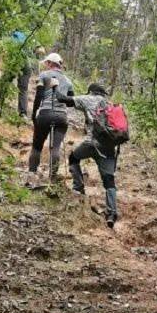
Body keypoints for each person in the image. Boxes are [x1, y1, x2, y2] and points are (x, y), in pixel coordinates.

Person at [62, 83, 121, 228]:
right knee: (109, 181)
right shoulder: (110, 105)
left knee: (73, 158)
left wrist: (55, 88)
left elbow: (66, 100)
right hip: (109, 148)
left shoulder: (89, 99)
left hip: (91, 144)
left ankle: (79, 188)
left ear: (91, 92)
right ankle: (111, 213)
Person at [27, 52, 73, 181]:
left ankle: (32, 173)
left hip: (45, 114)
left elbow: (39, 96)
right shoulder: (68, 81)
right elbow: (70, 102)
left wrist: (34, 114)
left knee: (37, 146)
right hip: (61, 116)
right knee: (55, 147)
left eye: (46, 63)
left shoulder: (44, 75)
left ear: (49, 63)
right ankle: (53, 177)